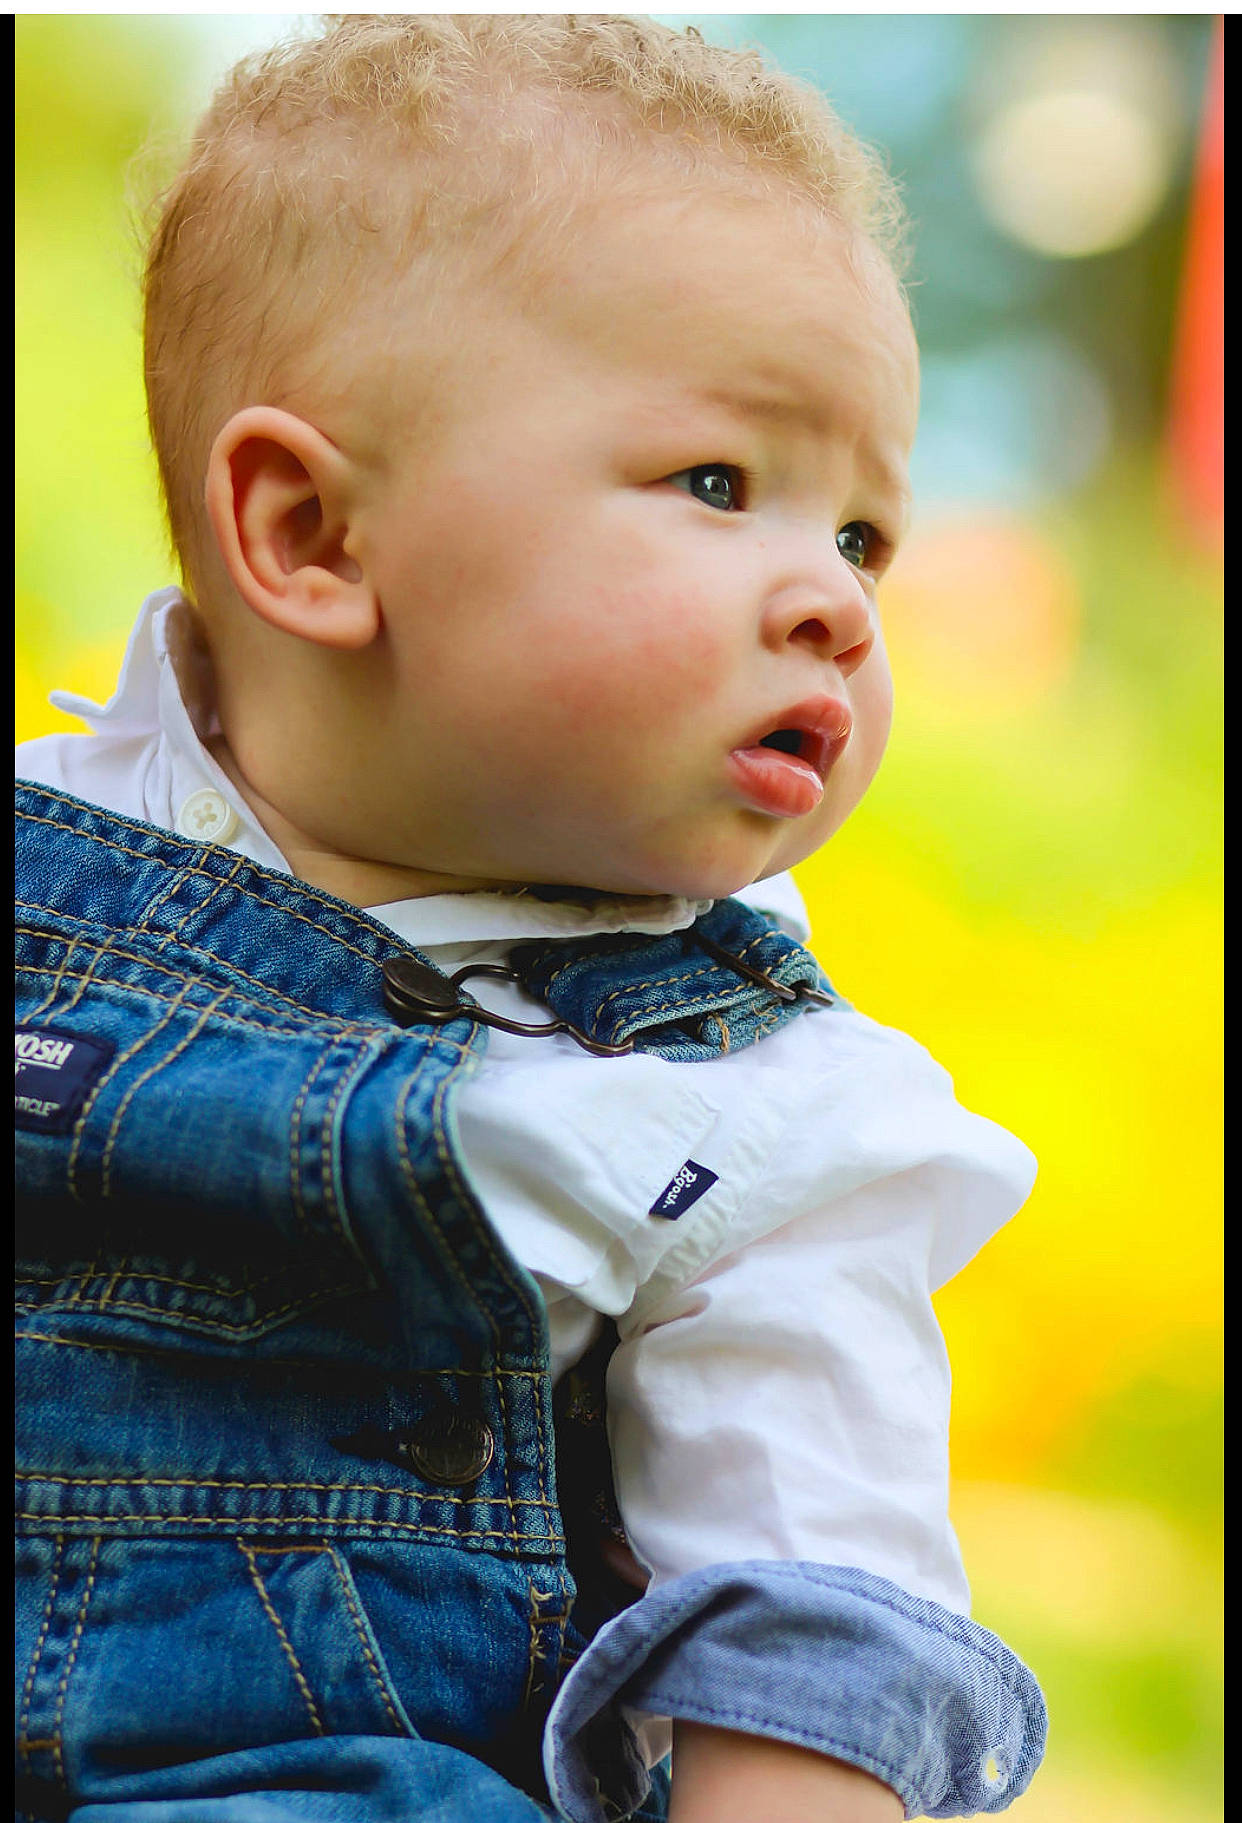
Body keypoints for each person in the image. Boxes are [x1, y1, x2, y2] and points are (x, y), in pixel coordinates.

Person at [15, 16, 1047, 1823]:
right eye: (722, 485)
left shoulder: (764, 1115)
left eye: (867, 534)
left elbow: (813, 1610)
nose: (834, 601)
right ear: (313, 535)